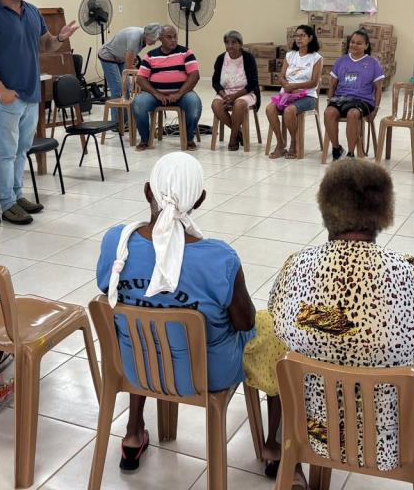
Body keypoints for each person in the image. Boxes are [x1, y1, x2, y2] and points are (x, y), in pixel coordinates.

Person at [268, 160, 414, 489]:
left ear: (326, 208)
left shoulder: (293, 268)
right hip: (402, 440)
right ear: (383, 212)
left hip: (314, 431)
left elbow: (280, 329)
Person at [95, 153, 283, 471]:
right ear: (200, 199)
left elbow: (106, 290)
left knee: (145, 329)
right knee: (272, 329)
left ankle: (132, 432)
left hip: (134, 367)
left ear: (147, 191)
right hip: (207, 374)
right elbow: (245, 321)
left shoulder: (117, 242)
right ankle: (274, 446)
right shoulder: (219, 257)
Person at [0, 0, 77, 225]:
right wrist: (0, 89)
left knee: (21, 150)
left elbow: (46, 45)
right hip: (6, 97)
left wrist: (60, 38)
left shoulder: (31, 12)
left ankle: (18, 196)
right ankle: (6, 203)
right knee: (6, 152)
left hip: (30, 95)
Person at [131, 25, 202, 151]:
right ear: (160, 39)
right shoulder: (150, 56)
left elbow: (194, 75)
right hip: (155, 95)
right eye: (169, 37)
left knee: (194, 103)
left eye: (175, 36)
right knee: (138, 103)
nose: (173, 40)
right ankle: (145, 140)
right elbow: (140, 79)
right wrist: (156, 94)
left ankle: (189, 139)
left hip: (182, 94)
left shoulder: (186, 53)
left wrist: (179, 93)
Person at [324, 29, 385, 160]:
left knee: (353, 114)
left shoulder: (373, 63)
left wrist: (375, 109)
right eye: (352, 42)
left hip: (362, 101)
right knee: (328, 113)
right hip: (341, 98)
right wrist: (329, 101)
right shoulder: (341, 61)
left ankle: (351, 154)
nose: (354, 45)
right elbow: (332, 85)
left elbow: (378, 89)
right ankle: (336, 148)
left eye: (359, 43)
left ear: (366, 46)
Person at [265, 24, 323, 160]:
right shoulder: (290, 55)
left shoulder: (316, 58)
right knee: (269, 109)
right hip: (287, 94)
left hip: (307, 96)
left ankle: (294, 142)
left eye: (302, 35)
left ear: (310, 38)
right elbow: (281, 76)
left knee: (289, 111)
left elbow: (314, 82)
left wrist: (295, 86)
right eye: (296, 36)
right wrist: (287, 86)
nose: (298, 38)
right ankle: (280, 143)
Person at [98, 23, 162, 126]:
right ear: (148, 35)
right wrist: (144, 74)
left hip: (120, 57)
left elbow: (131, 58)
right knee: (118, 89)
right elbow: (129, 66)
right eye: (154, 40)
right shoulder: (135, 38)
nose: (154, 43)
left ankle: (126, 122)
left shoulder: (143, 36)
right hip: (108, 55)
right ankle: (116, 124)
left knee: (126, 87)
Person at [210, 30, 260, 151]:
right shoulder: (221, 58)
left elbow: (252, 84)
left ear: (240, 44)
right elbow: (215, 81)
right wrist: (224, 95)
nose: (230, 46)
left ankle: (233, 139)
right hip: (225, 93)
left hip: (246, 93)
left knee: (239, 104)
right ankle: (239, 133)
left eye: (233, 42)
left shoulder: (248, 58)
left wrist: (234, 96)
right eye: (227, 43)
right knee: (216, 105)